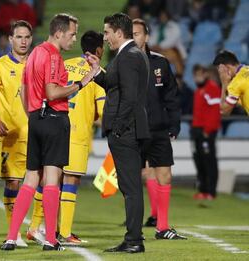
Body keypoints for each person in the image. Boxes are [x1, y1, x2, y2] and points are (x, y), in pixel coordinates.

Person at [1, 13, 98, 251]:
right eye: (72, 33)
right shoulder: (54, 56)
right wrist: (84, 80)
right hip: (54, 119)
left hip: (35, 119)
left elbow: (24, 89)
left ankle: (12, 237)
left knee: (31, 178)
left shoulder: (34, 53)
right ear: (59, 33)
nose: (74, 39)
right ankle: (52, 240)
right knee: (53, 178)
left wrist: (33, 116)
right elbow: (53, 93)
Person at [26, 30, 106, 246]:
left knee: (48, 180)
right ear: (99, 50)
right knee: (70, 181)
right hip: (77, 132)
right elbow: (102, 114)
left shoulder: (64, 62)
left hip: (54, 125)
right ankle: (65, 232)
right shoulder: (97, 72)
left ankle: (34, 227)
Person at [86, 13, 150, 254]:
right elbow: (117, 87)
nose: (105, 37)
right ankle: (133, 238)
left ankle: (134, 240)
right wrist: (98, 72)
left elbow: (130, 98)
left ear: (119, 33)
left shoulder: (128, 57)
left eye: (107, 32)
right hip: (130, 129)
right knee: (129, 186)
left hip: (127, 131)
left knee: (131, 187)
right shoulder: (130, 55)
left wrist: (119, 128)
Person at [132, 18, 186, 240]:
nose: (134, 37)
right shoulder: (120, 63)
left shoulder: (161, 63)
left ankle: (162, 227)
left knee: (164, 174)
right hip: (133, 130)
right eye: (130, 33)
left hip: (158, 129)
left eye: (137, 33)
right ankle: (133, 230)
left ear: (146, 36)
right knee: (134, 179)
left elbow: (171, 96)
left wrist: (174, 125)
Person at [0, 20, 33, 248]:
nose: (23, 41)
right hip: (11, 134)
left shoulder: (36, 63)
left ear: (31, 39)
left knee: (44, 180)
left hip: (36, 132)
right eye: (19, 37)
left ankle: (37, 227)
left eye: (26, 37)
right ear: (10, 40)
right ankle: (13, 232)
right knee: (13, 182)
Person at [191, 64, 221, 200]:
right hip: (197, 130)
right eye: (195, 76)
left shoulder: (212, 89)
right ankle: (203, 190)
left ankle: (211, 191)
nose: (197, 78)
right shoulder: (198, 91)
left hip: (206, 131)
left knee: (209, 161)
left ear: (205, 75)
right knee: (199, 160)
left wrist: (207, 130)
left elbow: (215, 112)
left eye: (199, 75)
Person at [148, 9, 187, 75]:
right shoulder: (158, 28)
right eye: (161, 16)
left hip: (173, 50)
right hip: (159, 51)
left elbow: (173, 40)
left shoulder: (174, 26)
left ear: (168, 17)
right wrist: (153, 45)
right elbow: (151, 40)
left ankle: (179, 76)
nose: (162, 18)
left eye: (164, 16)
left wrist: (160, 46)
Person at [213, 50, 249, 116]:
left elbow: (223, 112)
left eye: (219, 70)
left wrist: (224, 83)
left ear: (226, 68)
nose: (220, 74)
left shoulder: (236, 83)